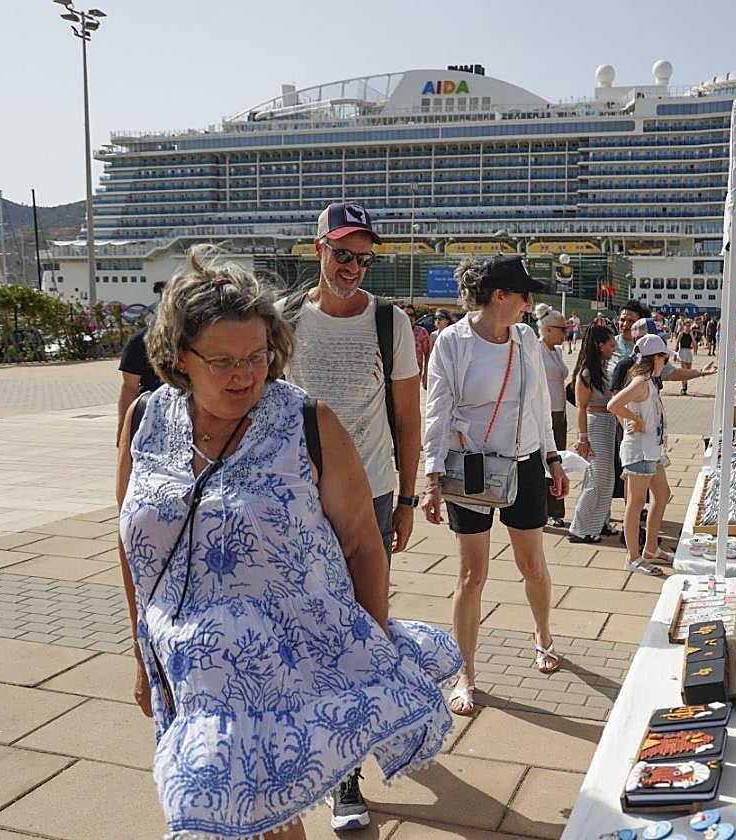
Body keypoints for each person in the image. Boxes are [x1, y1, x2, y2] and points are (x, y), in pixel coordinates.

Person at [115, 247, 460, 839]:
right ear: (179, 358)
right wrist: (141, 655)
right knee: (252, 820)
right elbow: (131, 544)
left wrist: (370, 652)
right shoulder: (146, 419)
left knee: (255, 819)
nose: (244, 374)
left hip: (287, 669)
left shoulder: (307, 423)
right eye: (221, 360)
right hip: (187, 666)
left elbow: (362, 545)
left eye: (256, 356)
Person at [280, 202, 422, 829]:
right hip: (297, 497)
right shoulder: (284, 319)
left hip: (373, 495)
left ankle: (345, 775)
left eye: (365, 257)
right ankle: (313, 747)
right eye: (343, 254)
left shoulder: (389, 322)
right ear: (318, 250)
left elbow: (409, 418)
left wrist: (411, 497)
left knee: (361, 632)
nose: (355, 267)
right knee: (304, 629)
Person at [421, 255, 568, 717]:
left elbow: (540, 403)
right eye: (525, 295)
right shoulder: (453, 342)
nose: (531, 304)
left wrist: (552, 458)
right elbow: (437, 411)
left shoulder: (525, 338)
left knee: (532, 564)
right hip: (472, 469)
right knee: (472, 575)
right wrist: (431, 477)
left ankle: (543, 636)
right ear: (499, 296)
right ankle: (465, 673)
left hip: (524, 464)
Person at [608, 334, 674, 577]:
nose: (665, 363)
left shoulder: (648, 380)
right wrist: (633, 420)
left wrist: (632, 420)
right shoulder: (640, 382)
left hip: (650, 450)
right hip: (639, 451)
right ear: (654, 358)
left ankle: (650, 547)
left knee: (662, 494)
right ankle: (633, 557)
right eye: (663, 358)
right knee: (635, 503)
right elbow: (613, 404)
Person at [568, 324, 616, 544]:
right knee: (597, 479)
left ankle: (599, 522)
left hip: (607, 424)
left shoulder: (602, 369)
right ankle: (579, 527)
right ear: (599, 345)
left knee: (606, 479)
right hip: (595, 425)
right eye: (610, 344)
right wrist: (583, 439)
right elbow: (581, 407)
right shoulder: (586, 373)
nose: (613, 347)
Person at [116, 280, 166, 443]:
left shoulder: (196, 341)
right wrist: (124, 429)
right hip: (151, 417)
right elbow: (129, 387)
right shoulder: (140, 341)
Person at [537, 310, 570, 528]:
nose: (565, 334)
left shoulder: (556, 351)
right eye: (561, 329)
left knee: (559, 461)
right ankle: (543, 509)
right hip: (543, 414)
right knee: (544, 463)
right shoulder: (536, 349)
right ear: (547, 330)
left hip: (560, 413)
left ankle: (556, 509)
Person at [404, 303, 432, 388]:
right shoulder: (394, 331)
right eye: (406, 315)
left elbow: (427, 354)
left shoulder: (421, 332)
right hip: (396, 374)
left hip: (415, 374)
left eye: (412, 315)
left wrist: (426, 374)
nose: (410, 317)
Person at [675, 320, 696, 395]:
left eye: (689, 326)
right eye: (686, 326)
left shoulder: (691, 334)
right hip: (683, 351)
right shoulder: (681, 334)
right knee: (684, 371)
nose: (688, 327)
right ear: (684, 326)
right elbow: (677, 344)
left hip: (689, 352)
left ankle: (685, 386)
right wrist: (675, 354)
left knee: (688, 372)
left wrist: (692, 335)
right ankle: (684, 388)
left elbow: (694, 344)